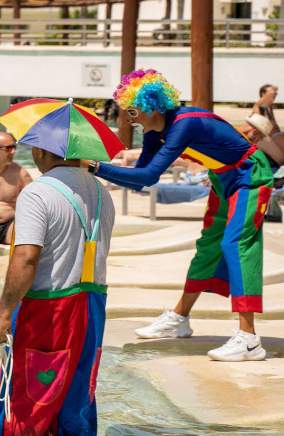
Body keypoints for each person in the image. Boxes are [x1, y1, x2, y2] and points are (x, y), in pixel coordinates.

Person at [88, 69, 272, 362]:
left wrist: (94, 167)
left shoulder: (183, 124)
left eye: (133, 111)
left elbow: (147, 174)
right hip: (223, 178)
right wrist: (93, 168)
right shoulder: (154, 132)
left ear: (152, 106)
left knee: (235, 245)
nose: (128, 119)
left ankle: (249, 340)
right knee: (208, 247)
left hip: (250, 175)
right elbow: (142, 180)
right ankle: (180, 318)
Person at [0, 144, 115, 436]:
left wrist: (4, 313)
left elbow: (27, 257)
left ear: (42, 149)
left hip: (47, 309)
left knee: (26, 404)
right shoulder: (101, 192)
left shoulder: (38, 192)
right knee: (76, 400)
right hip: (91, 308)